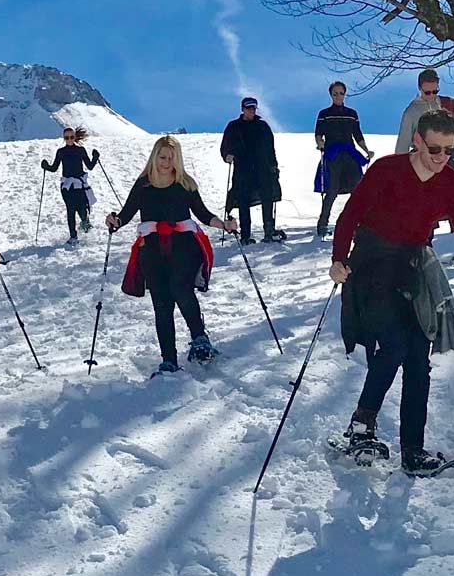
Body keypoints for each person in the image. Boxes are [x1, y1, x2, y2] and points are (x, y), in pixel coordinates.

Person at [330, 110, 454, 476]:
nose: (440, 157)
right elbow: (350, 215)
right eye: (434, 148)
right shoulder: (387, 170)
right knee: (395, 346)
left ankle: (413, 451)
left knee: (418, 354)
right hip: (370, 265)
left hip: (412, 270)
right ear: (417, 140)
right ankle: (361, 427)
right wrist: (339, 259)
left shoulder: (450, 183)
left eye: (448, 150)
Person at [107, 135, 237, 375]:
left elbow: (202, 213)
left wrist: (224, 225)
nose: (166, 162)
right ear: (154, 157)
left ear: (178, 160)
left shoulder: (185, 183)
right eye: (162, 157)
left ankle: (200, 340)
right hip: (152, 249)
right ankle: (168, 360)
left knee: (181, 288)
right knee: (162, 303)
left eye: (171, 157)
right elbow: (125, 215)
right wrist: (114, 221)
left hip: (184, 246)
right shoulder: (143, 184)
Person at [395, 67, 454, 261]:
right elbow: (402, 144)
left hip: (450, 161)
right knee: (423, 208)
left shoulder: (447, 105)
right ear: (420, 89)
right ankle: (421, 251)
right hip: (424, 164)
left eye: (435, 91)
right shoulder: (412, 112)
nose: (431, 96)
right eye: (427, 92)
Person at [219, 97, 284, 245]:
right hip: (242, 169)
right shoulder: (233, 126)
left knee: (267, 198)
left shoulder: (263, 126)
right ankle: (245, 236)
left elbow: (270, 149)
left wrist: (274, 166)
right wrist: (227, 156)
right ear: (242, 109)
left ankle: (269, 231)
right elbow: (225, 147)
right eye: (248, 108)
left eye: (254, 108)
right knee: (243, 201)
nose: (251, 111)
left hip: (263, 168)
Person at [314, 81, 374, 237]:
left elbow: (357, 134)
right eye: (335, 93)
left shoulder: (352, 114)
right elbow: (318, 134)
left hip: (350, 153)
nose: (338, 96)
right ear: (331, 95)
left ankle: (358, 222)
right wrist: (320, 144)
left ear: (345, 94)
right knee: (332, 189)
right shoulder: (324, 114)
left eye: (341, 93)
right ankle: (322, 225)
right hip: (333, 153)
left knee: (357, 189)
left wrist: (366, 150)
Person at [41, 126, 100, 243]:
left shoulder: (81, 150)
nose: (69, 139)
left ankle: (85, 223)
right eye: (66, 137)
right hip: (67, 187)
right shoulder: (61, 152)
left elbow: (90, 166)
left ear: (75, 137)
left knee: (83, 209)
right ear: (64, 138)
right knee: (71, 210)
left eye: (71, 137)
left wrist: (95, 157)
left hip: (80, 185)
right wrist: (46, 166)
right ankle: (73, 236)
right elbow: (54, 168)